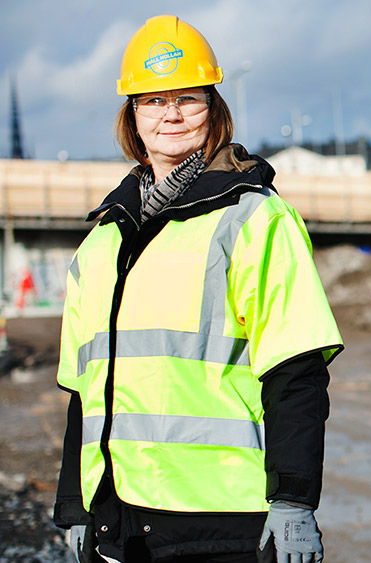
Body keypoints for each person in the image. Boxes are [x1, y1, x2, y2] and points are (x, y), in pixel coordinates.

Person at [52, 15, 343, 563]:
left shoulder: (253, 218)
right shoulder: (101, 242)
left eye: (188, 97)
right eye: (153, 100)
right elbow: (83, 394)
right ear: (132, 116)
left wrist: (294, 500)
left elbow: (297, 370)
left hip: (221, 516)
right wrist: (75, 505)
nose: (172, 114)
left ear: (214, 108)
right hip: (118, 514)